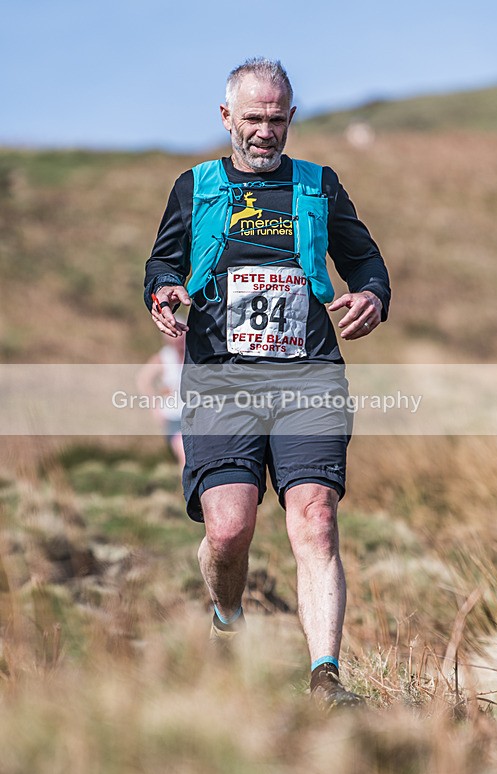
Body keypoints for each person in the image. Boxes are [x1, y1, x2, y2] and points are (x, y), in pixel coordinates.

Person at [143, 58, 391, 708]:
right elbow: (164, 259)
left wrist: (370, 293)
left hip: (307, 376)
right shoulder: (194, 186)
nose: (264, 131)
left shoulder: (318, 186)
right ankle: (227, 617)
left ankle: (324, 676)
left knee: (314, 518)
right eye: (252, 118)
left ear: (290, 117)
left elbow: (362, 258)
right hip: (220, 382)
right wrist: (163, 288)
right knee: (228, 529)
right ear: (226, 117)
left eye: (276, 119)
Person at [137, 330, 186, 470]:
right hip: (173, 417)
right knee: (183, 453)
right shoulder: (164, 357)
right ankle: (187, 491)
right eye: (175, 338)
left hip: (195, 414)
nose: (179, 342)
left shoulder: (195, 354)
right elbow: (143, 380)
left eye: (182, 338)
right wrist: (155, 407)